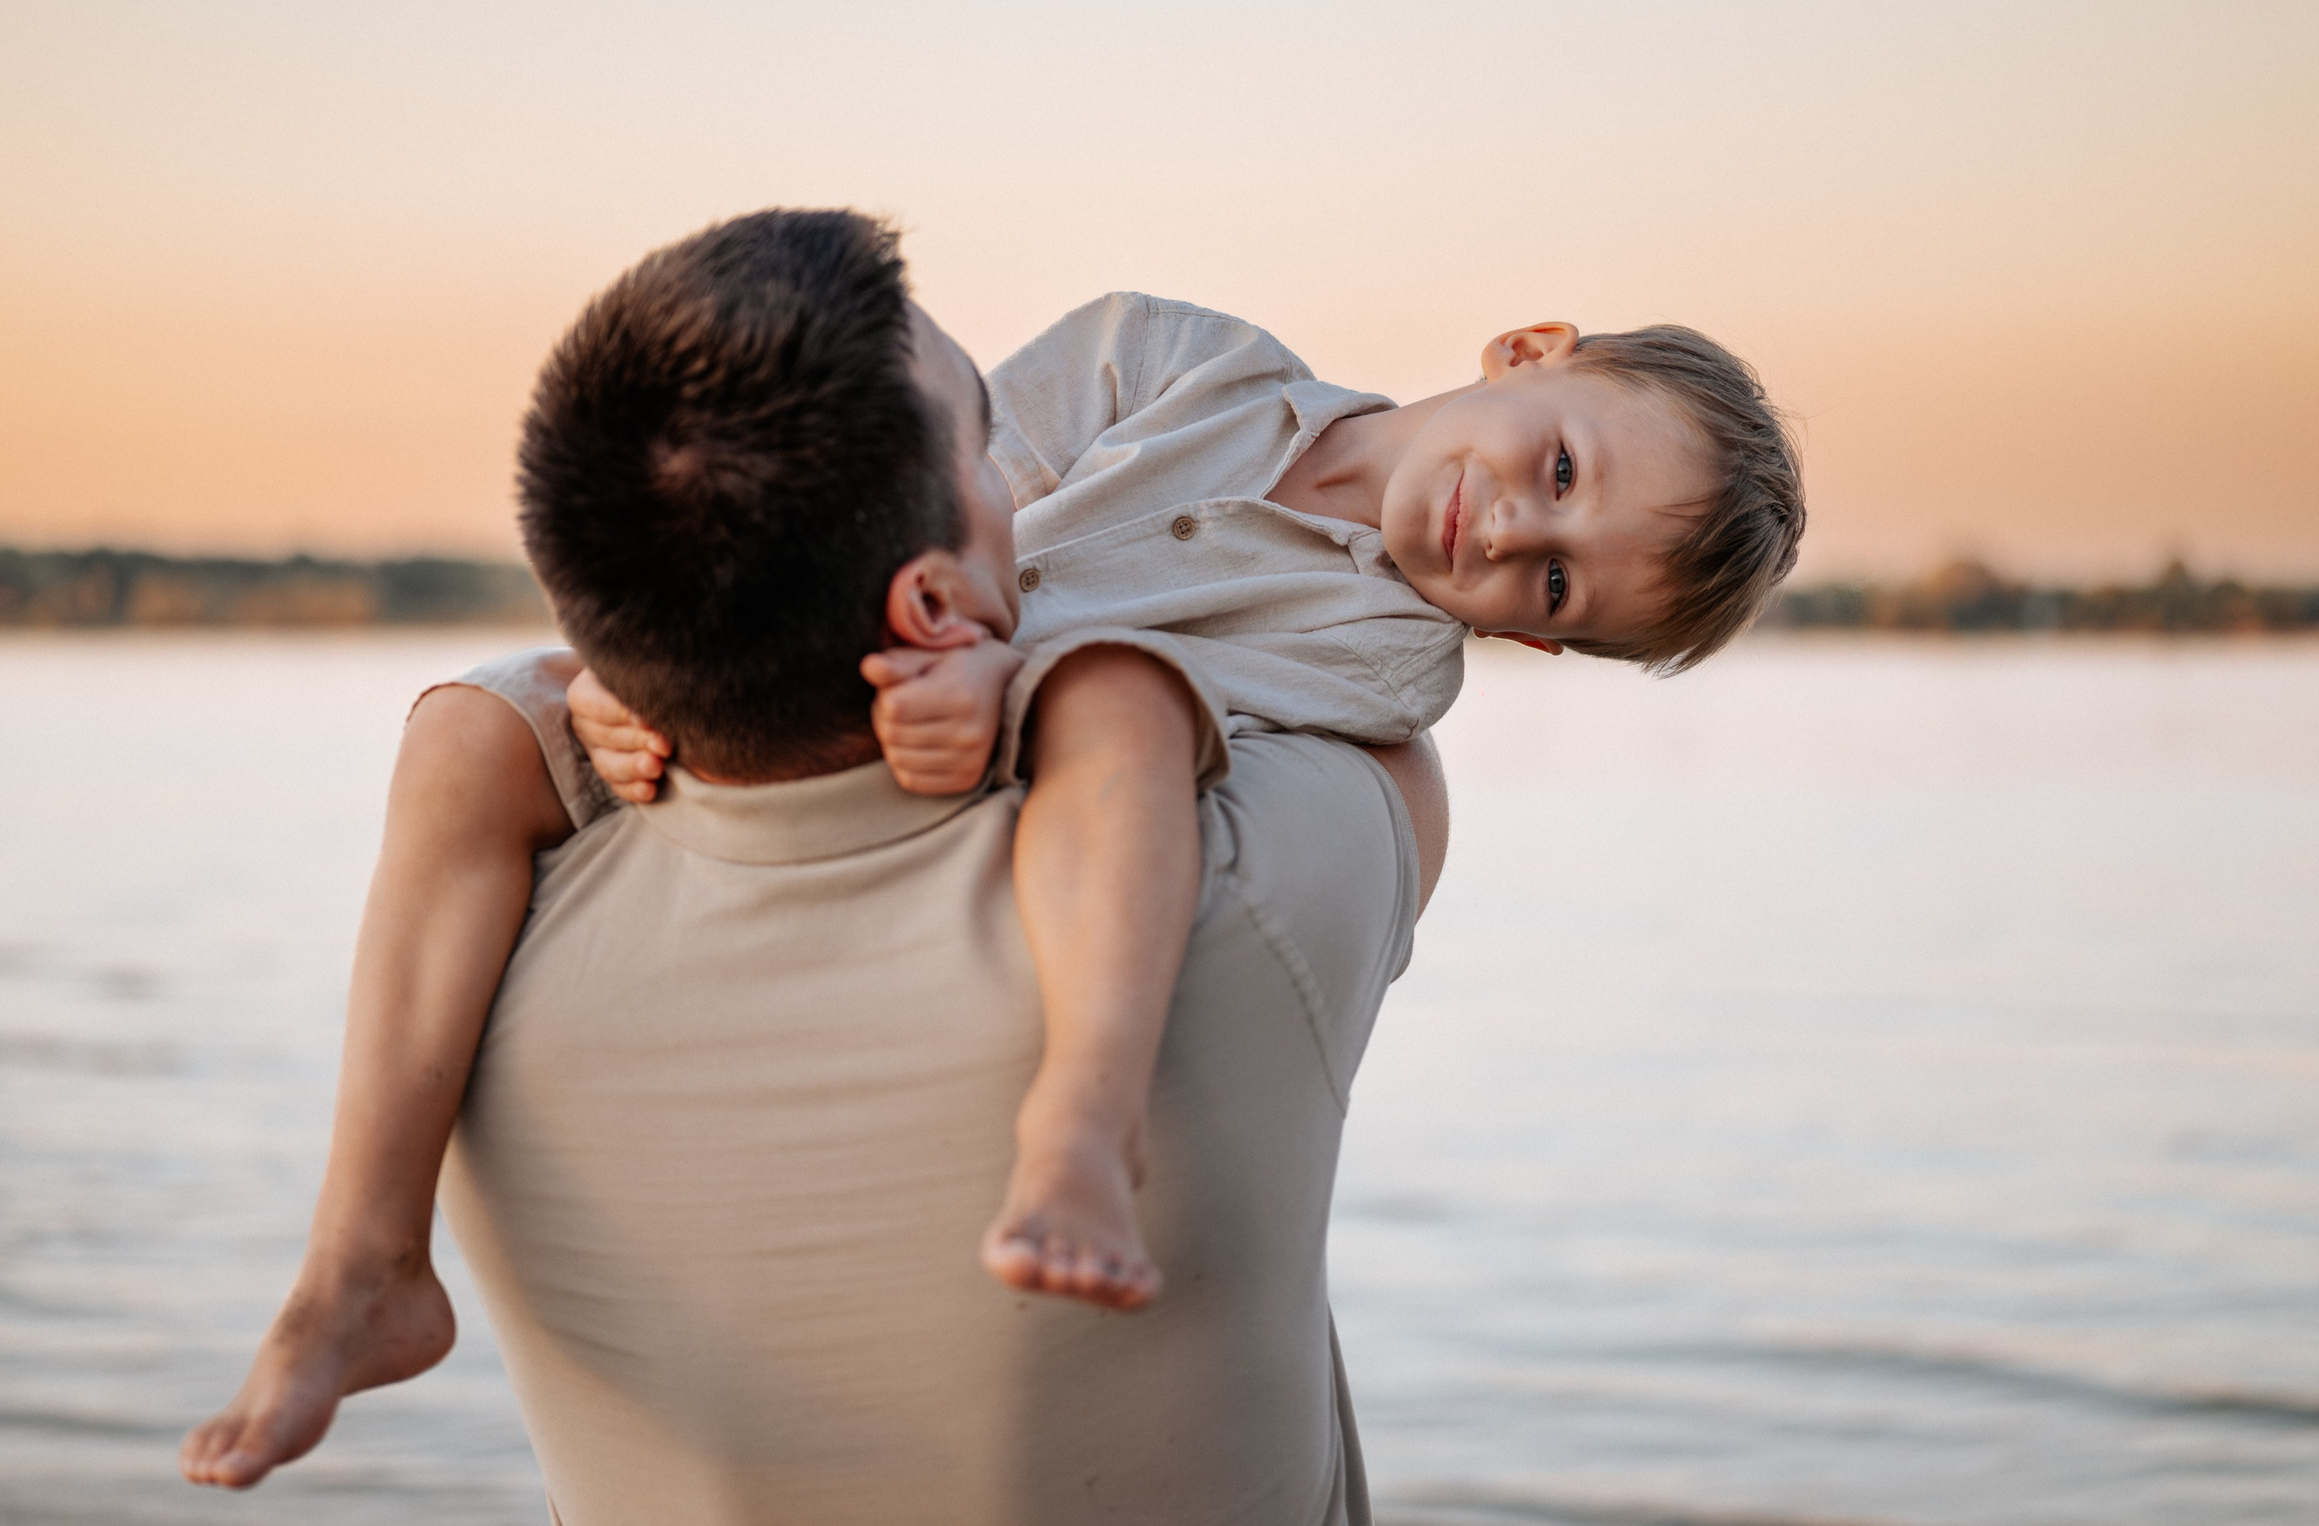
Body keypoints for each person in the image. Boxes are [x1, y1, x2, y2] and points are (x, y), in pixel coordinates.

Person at [185, 207, 1441, 1521]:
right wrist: (1042, 682)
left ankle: (356, 1272)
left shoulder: (483, 960)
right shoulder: (1247, 891)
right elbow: (1396, 747)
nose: (1033, 490)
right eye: (992, 451)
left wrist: (571, 679)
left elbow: (488, 730)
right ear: (932, 603)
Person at [582, 288, 1805, 1304]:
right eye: (1557, 468)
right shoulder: (1171, 354)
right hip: (858, 616)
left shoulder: (1382, 663)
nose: (1504, 530)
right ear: (1528, 352)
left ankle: (1084, 1122)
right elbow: (947, 490)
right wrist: (708, 656)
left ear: (1538, 643)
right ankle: (380, 1233)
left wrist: (994, 688)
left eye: (1552, 581)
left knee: (1128, 711)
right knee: (491, 717)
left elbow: (1166, 715)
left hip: (1015, 738)